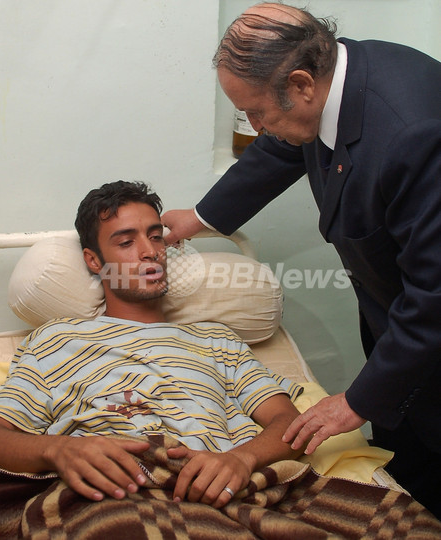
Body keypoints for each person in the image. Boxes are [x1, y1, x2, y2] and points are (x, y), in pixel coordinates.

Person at [161, 2, 441, 518]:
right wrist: (202, 217)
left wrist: (356, 401)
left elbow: (434, 299)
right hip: (399, 337)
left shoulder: (414, 137)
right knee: (406, 466)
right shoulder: (333, 80)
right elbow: (280, 147)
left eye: (256, 112)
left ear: (301, 85)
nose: (255, 126)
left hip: (428, 332)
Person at [0, 180, 306, 509]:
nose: (150, 252)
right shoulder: (55, 340)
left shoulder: (218, 340)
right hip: (103, 494)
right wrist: (58, 450)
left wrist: (241, 459)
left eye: (156, 236)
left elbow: (288, 422)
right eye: (126, 242)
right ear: (93, 261)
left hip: (209, 492)